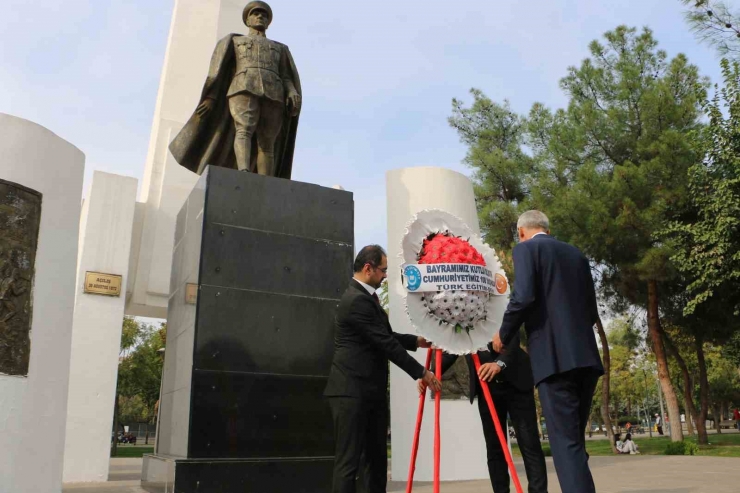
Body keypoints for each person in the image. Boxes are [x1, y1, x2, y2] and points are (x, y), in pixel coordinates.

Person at [492, 210, 604, 493]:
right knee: (575, 442)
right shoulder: (576, 254)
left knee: (565, 444)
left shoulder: (526, 249)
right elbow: (591, 310)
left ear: (521, 232)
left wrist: (503, 334)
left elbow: (524, 296)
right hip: (586, 358)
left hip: (554, 362)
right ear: (546, 228)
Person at [324, 245, 442, 493]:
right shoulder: (356, 300)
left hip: (370, 394)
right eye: (383, 270)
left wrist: (415, 341)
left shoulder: (366, 299)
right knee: (349, 464)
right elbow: (385, 342)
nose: (386, 275)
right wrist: (423, 372)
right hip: (350, 393)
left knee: (376, 463)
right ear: (368, 268)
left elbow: (384, 335)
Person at [169, 1, 302, 178]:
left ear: (269, 22)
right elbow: (219, 73)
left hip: (274, 93)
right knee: (244, 129)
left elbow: (286, 75)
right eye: (255, 14)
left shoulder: (281, 48)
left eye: (264, 15)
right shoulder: (235, 41)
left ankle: (266, 181)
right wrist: (212, 98)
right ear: (247, 20)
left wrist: (292, 91)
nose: (260, 16)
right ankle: (243, 172)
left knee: (267, 141)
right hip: (242, 87)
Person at [419, 333, 547, 493]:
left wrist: (499, 363)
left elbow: (511, 335)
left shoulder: (497, 308)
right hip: (487, 388)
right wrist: (429, 374)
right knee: (495, 448)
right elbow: (451, 352)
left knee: (529, 443)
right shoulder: (461, 319)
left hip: (517, 383)